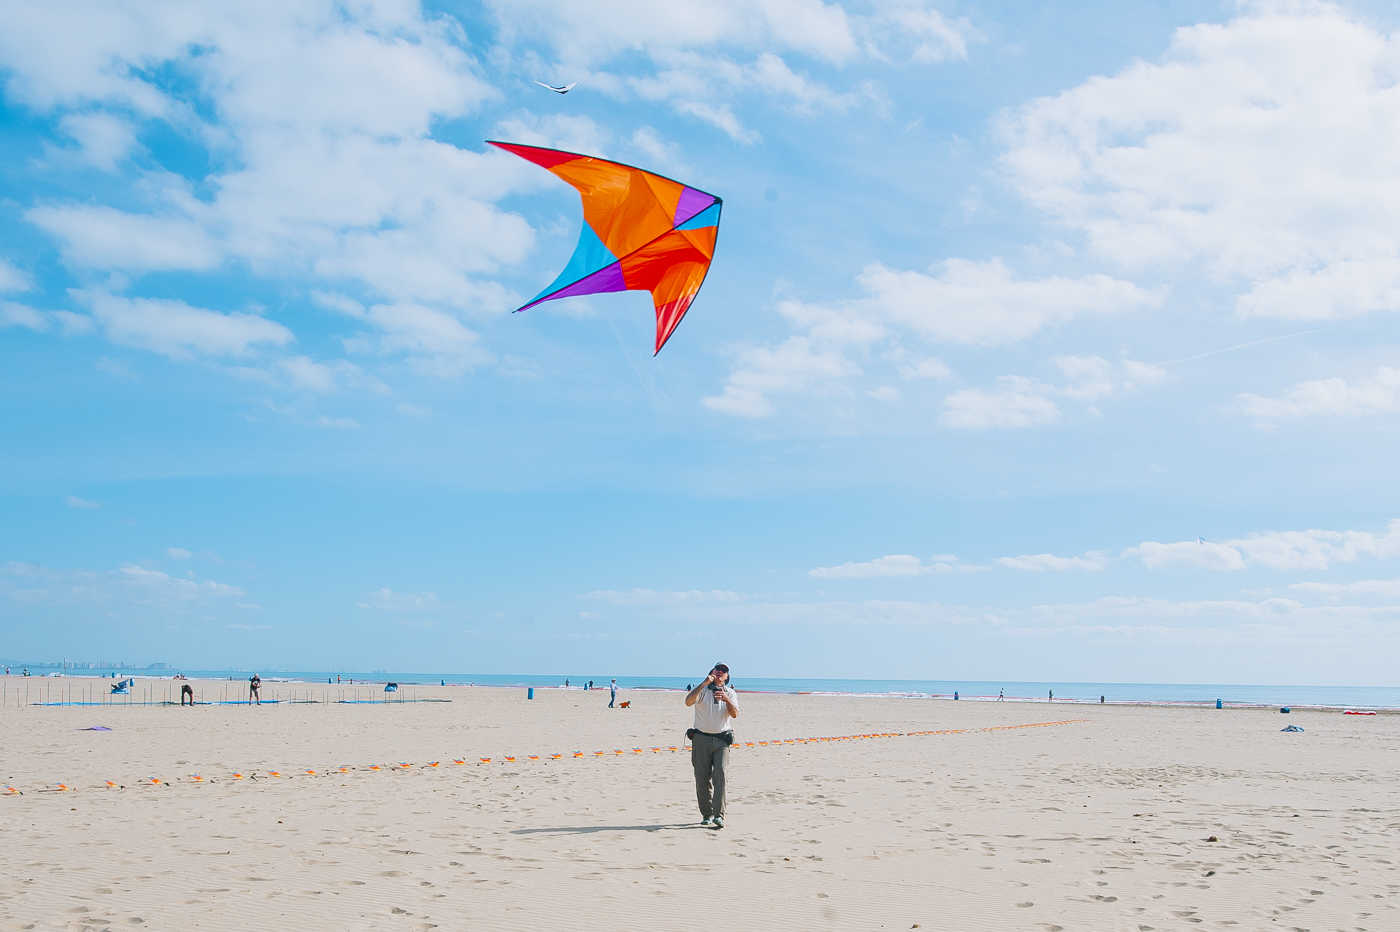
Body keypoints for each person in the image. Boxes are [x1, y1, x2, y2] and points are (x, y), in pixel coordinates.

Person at [684, 663, 739, 829]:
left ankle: (719, 815)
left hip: (722, 740)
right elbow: (688, 702)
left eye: (724, 671)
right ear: (711, 673)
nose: (720, 672)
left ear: (727, 677)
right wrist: (704, 683)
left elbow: (735, 714)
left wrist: (726, 699)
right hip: (701, 739)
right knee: (701, 779)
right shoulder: (702, 691)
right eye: (717, 670)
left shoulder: (730, 693)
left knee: (720, 776)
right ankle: (706, 814)